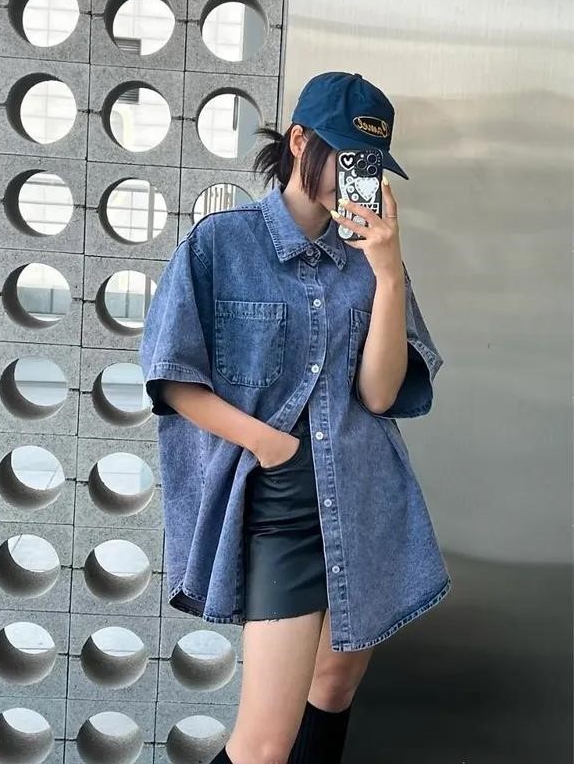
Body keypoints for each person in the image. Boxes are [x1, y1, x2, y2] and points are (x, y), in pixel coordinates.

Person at [139, 71, 452, 764]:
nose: (355, 178)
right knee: (263, 744)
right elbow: (173, 379)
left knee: (333, 686)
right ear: (301, 142)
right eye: (346, 157)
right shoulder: (221, 244)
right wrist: (267, 445)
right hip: (278, 508)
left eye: (369, 165)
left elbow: (379, 395)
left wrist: (388, 271)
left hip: (362, 500)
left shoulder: (371, 261)